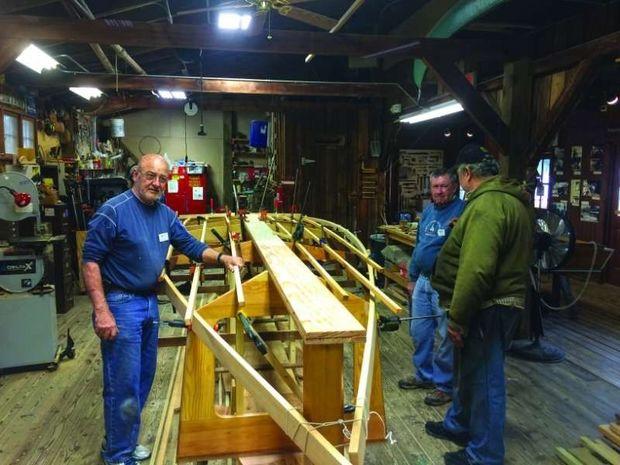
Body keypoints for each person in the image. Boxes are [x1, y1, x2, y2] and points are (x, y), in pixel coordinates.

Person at [82, 154, 243, 465]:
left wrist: (223, 258)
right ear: (135, 176)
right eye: (150, 176)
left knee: (143, 377)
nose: (156, 183)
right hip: (121, 302)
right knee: (123, 381)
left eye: (162, 178)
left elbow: (191, 246)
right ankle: (117, 455)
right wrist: (102, 311)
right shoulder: (113, 212)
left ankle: (122, 441)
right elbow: (90, 261)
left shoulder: (165, 214)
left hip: (147, 301)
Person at [425, 144, 534, 465]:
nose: (458, 184)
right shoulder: (507, 200)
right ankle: (459, 425)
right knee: (469, 371)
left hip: (489, 306)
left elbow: (477, 269)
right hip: (489, 304)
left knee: (486, 379)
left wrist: (457, 319)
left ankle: (485, 455)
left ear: (468, 173)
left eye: (458, 178)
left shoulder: (488, 206)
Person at [398, 169, 465, 407]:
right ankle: (424, 375)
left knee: (447, 335)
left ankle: (444, 385)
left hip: (444, 283)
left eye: (443, 186)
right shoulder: (428, 212)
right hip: (423, 281)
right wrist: (412, 277)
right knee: (419, 331)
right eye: (435, 186)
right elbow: (419, 245)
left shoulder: (462, 211)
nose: (438, 191)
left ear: (454, 187)